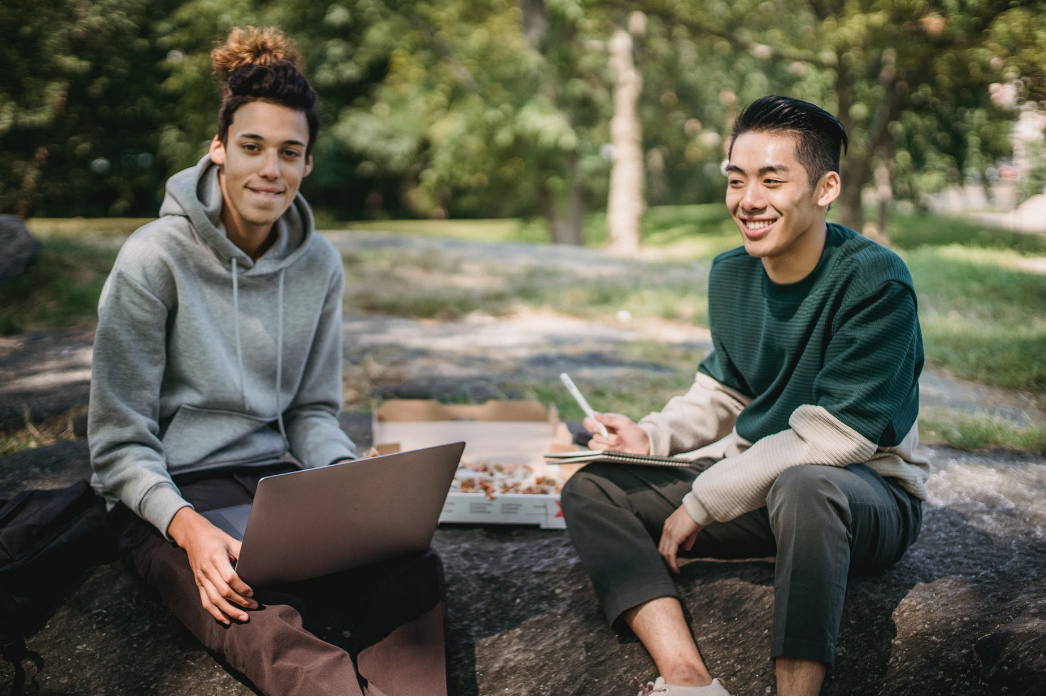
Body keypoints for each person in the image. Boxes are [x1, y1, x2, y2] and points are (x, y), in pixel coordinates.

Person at [88, 27, 447, 696]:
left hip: (275, 486)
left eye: (290, 152)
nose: (270, 171)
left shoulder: (319, 264)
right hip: (172, 496)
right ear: (219, 149)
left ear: (309, 163)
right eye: (251, 147)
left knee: (412, 567)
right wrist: (187, 531)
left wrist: (348, 487)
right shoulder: (151, 259)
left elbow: (312, 410)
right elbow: (117, 445)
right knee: (252, 609)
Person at [561, 95, 928, 696]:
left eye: (771, 180)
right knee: (592, 484)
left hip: (864, 496)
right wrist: (650, 437)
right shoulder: (731, 273)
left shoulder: (876, 281)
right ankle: (686, 676)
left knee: (806, 484)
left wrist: (704, 499)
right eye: (737, 180)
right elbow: (724, 390)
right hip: (761, 485)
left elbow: (839, 436)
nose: (748, 200)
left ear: (825, 187)